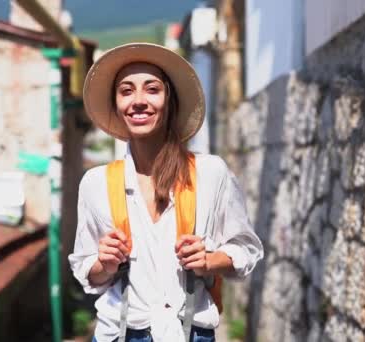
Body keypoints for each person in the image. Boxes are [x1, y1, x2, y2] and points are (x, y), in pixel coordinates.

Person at [68, 43, 263, 342]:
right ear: (117, 106)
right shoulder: (96, 183)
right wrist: (104, 265)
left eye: (152, 89)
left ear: (169, 100)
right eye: (126, 91)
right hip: (118, 335)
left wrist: (209, 260)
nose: (139, 101)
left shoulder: (210, 174)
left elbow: (246, 249)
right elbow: (87, 272)